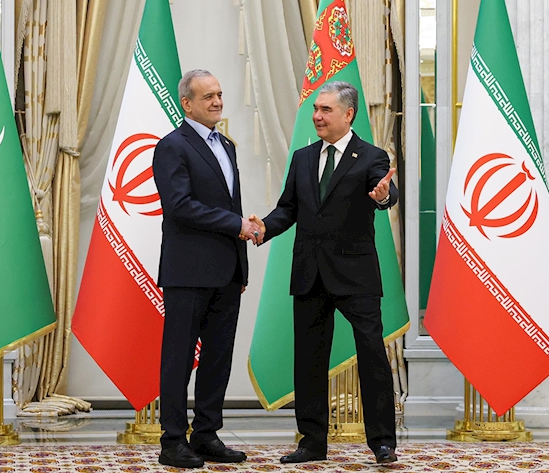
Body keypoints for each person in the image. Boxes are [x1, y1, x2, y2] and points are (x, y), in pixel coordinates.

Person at [250, 81, 399, 464]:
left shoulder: (371, 156)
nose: (316, 116)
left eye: (325, 110)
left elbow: (384, 190)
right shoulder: (302, 157)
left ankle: (383, 442)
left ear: (348, 114)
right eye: (316, 109)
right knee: (309, 359)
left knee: (372, 355)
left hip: (356, 274)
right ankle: (312, 441)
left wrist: (384, 195)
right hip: (309, 272)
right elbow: (288, 208)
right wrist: (265, 227)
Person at [152, 69, 261, 469]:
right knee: (179, 359)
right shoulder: (172, 146)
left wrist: (241, 267)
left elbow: (231, 205)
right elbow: (179, 206)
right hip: (187, 273)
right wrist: (237, 225)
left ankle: (207, 435)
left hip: (226, 273)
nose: (217, 102)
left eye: (219, 94)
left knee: (218, 358)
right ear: (187, 103)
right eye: (208, 96)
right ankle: (172, 441)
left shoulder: (226, 145)